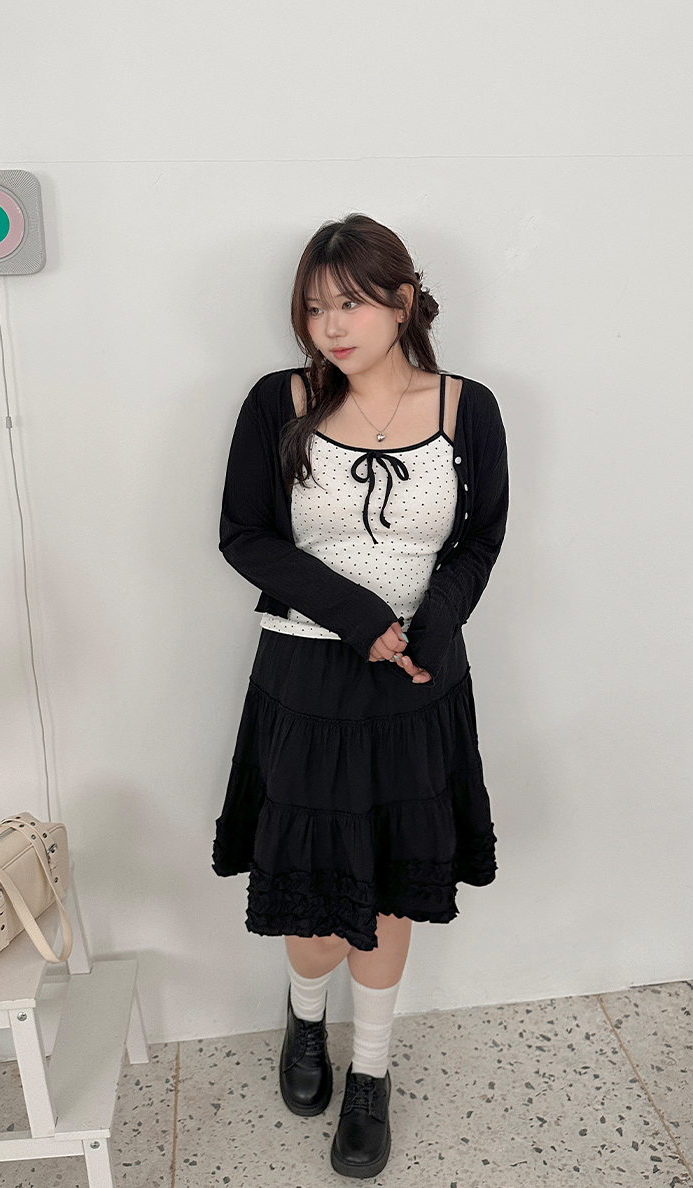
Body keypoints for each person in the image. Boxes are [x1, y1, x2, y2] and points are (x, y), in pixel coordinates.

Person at [212, 213, 508, 1178]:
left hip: (420, 684)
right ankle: (305, 1018)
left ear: (404, 300)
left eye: (351, 303)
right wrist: (357, 618)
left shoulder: (467, 407)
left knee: (390, 890)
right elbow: (244, 535)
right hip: (305, 680)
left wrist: (429, 628)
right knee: (313, 918)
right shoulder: (281, 401)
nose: (331, 326)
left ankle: (370, 1073)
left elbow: (480, 540)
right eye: (314, 308)